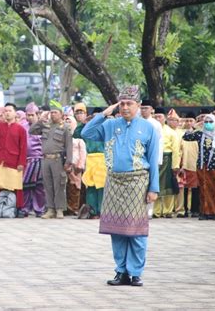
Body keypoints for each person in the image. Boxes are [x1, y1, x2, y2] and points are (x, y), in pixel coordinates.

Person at [81, 86, 159, 286]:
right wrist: (105, 113)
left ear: (138, 105)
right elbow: (86, 132)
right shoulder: (110, 125)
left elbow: (153, 159)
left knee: (136, 231)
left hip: (138, 181)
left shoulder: (149, 127)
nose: (125, 107)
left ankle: (135, 272)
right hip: (114, 181)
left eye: (129, 103)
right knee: (117, 230)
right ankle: (121, 271)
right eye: (122, 103)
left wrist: (153, 188)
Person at [29, 100, 73, 219]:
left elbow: (69, 146)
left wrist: (69, 162)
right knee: (47, 185)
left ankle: (59, 209)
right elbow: (31, 131)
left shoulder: (65, 127)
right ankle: (50, 209)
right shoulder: (45, 125)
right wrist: (40, 120)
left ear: (61, 114)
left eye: (55, 112)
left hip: (58, 160)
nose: (53, 114)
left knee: (59, 185)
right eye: (51, 112)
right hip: (45, 159)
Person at [0, 103, 27, 212]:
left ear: (15, 113)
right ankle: (0, 207)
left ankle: (18, 208)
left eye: (9, 111)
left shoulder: (20, 129)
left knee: (15, 186)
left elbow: (23, 147)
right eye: (5, 111)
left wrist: (21, 163)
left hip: (14, 161)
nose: (7, 113)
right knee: (0, 185)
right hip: (0, 160)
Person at [182, 114, 215, 220]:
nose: (208, 124)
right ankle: (204, 212)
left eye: (211, 122)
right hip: (202, 166)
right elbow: (186, 137)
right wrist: (194, 126)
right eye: (206, 122)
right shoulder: (200, 134)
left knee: (214, 189)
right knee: (203, 188)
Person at [73, 103, 107, 219]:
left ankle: (102, 211)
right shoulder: (87, 129)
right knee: (91, 186)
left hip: (102, 159)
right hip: (90, 159)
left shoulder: (106, 128)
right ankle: (92, 211)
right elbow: (76, 135)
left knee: (101, 186)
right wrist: (83, 124)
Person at [153, 107, 180, 218]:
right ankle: (156, 211)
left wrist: (175, 165)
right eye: (155, 116)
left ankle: (168, 210)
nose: (157, 118)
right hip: (154, 159)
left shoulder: (171, 132)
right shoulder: (152, 129)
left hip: (167, 159)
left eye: (160, 116)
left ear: (164, 118)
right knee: (155, 185)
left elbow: (176, 150)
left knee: (168, 186)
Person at [21, 102, 46, 217]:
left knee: (39, 187)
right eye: (28, 115)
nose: (29, 117)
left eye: (32, 115)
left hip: (40, 159)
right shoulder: (22, 126)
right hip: (26, 160)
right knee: (25, 186)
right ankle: (25, 208)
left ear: (37, 114)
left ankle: (39, 209)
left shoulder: (43, 127)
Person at [179, 112, 200, 218]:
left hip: (195, 165)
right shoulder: (181, 133)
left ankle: (195, 209)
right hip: (183, 165)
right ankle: (184, 210)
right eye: (186, 120)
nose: (189, 123)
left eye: (191, 120)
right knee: (184, 189)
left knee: (195, 188)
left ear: (195, 121)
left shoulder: (198, 134)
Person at [64, 115, 86, 215]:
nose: (68, 124)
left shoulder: (78, 140)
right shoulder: (62, 138)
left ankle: (74, 208)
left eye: (70, 122)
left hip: (76, 167)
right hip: (64, 166)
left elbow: (83, 153)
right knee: (66, 187)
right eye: (66, 122)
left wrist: (80, 165)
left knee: (75, 187)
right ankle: (66, 207)